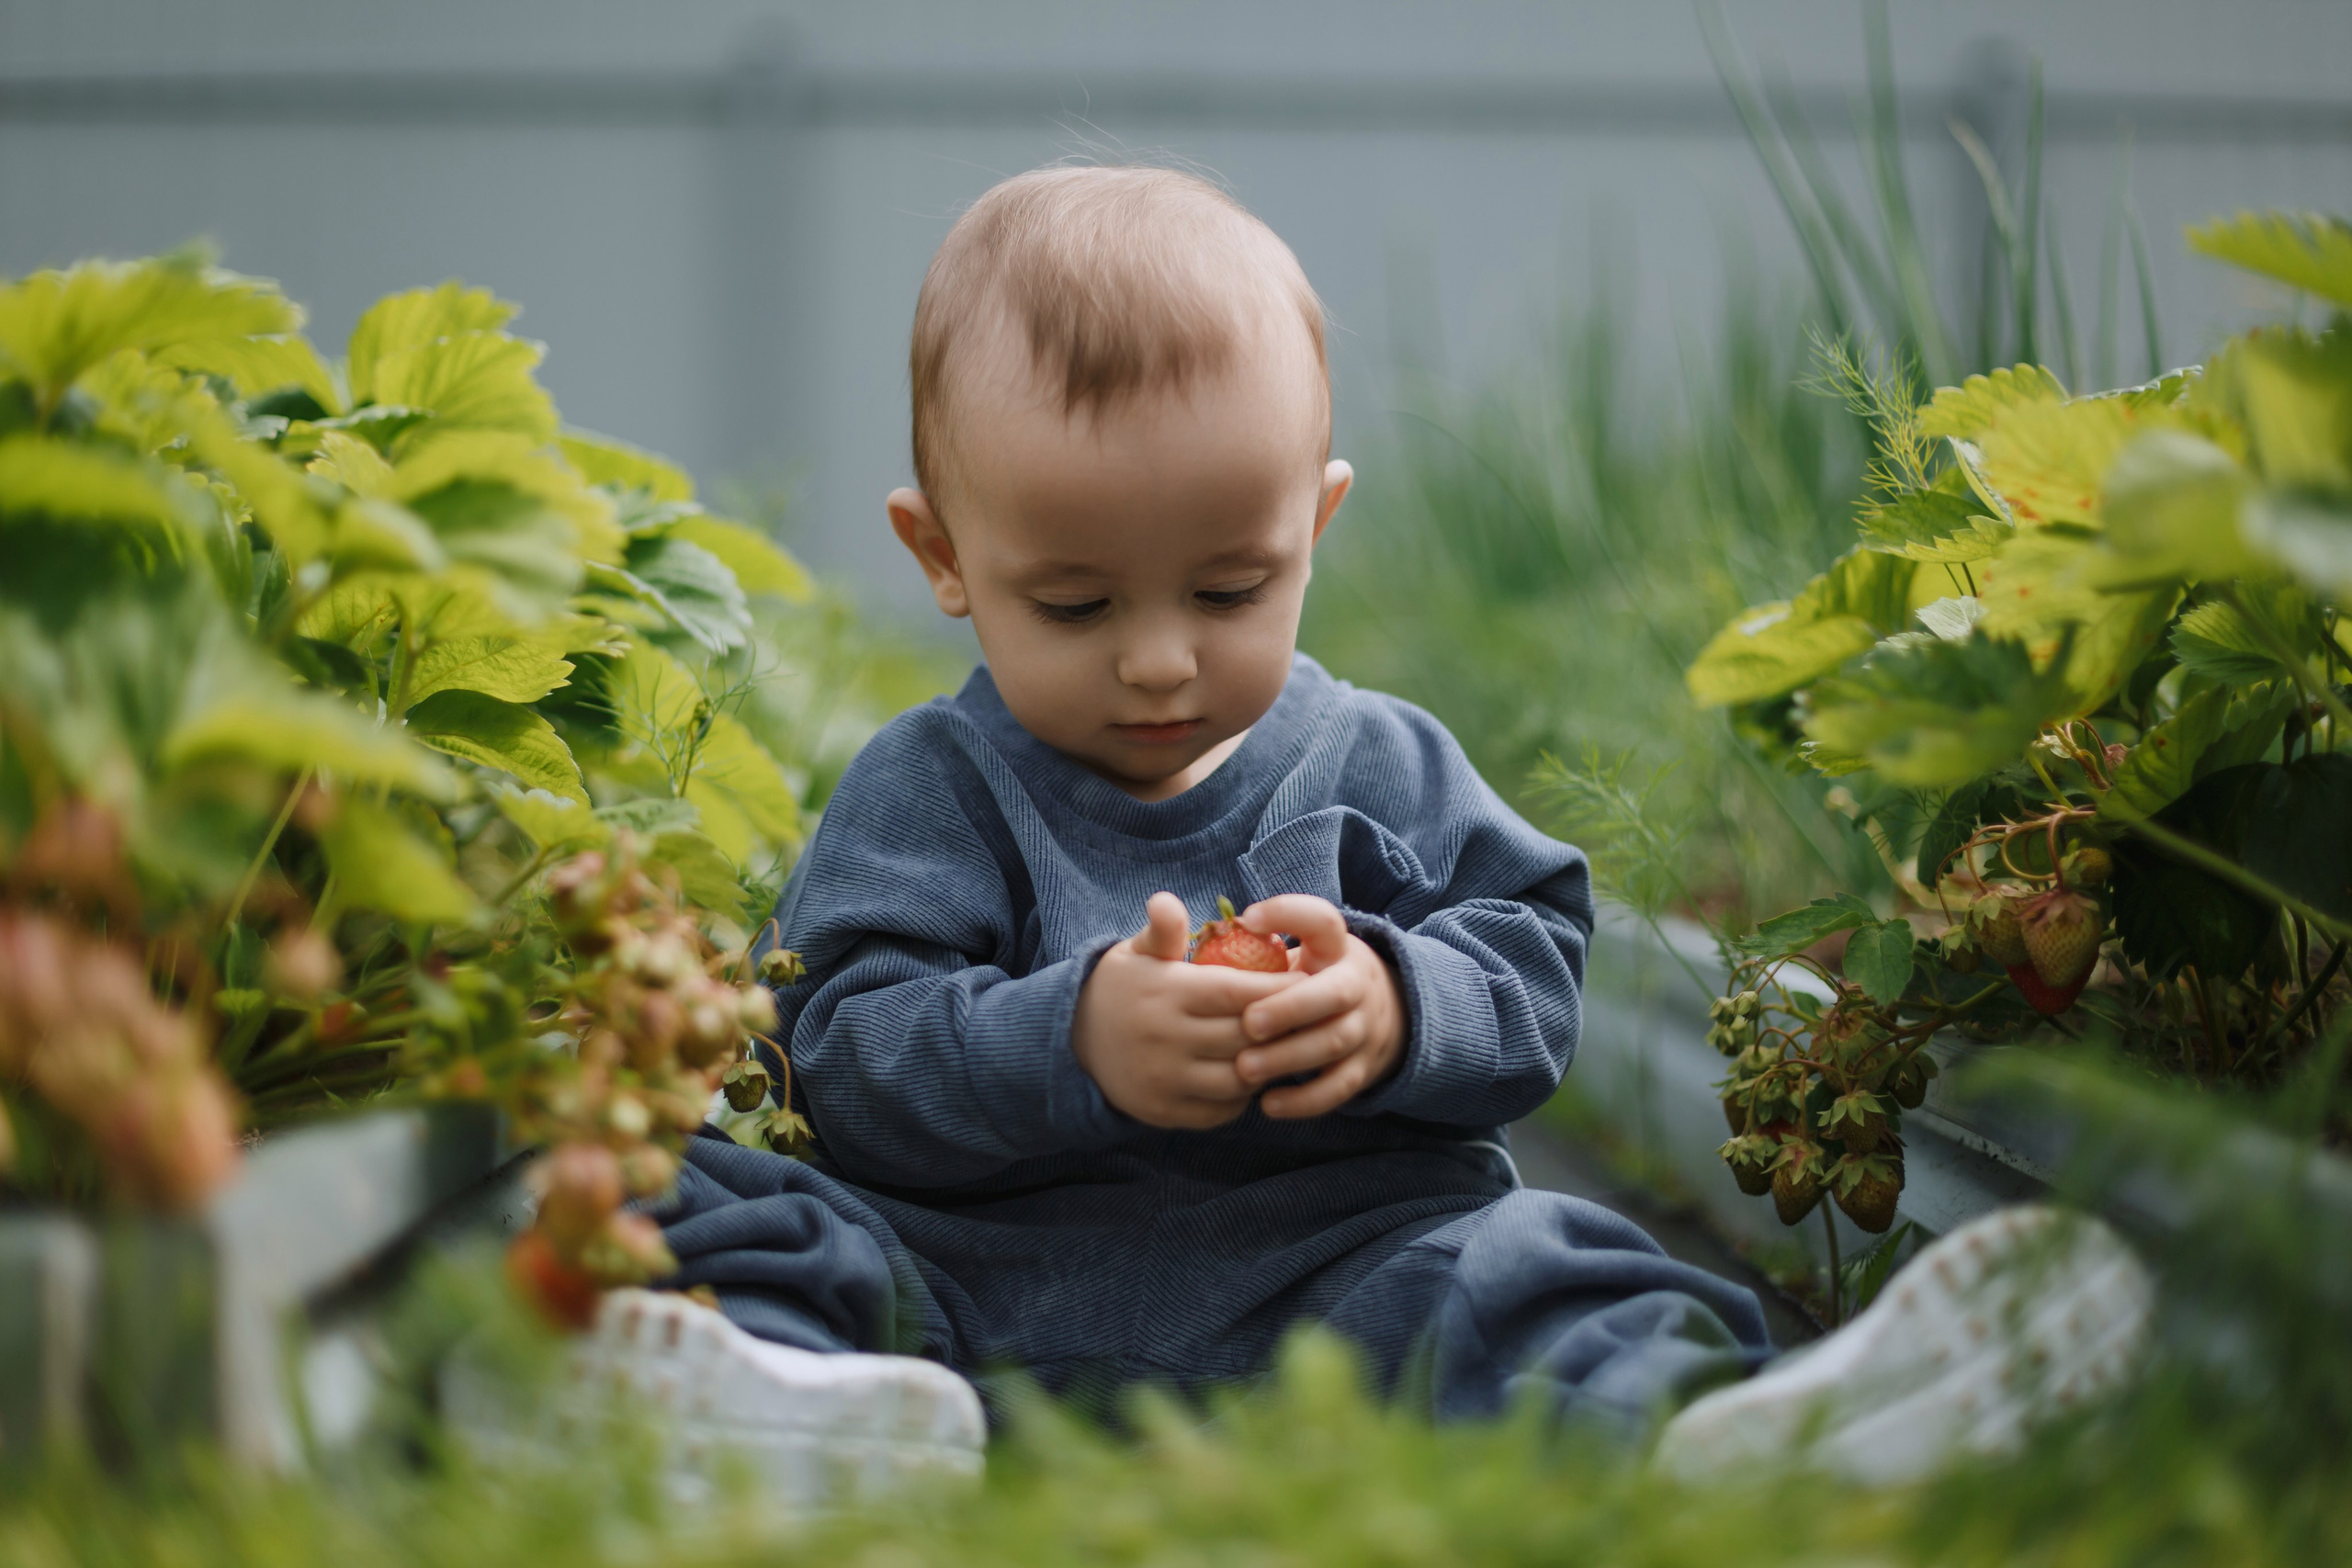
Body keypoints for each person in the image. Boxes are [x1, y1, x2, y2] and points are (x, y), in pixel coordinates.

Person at [607, 165, 2148, 1496]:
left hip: (1343, 1283)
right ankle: (792, 1417)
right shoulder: (931, 783)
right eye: (1074, 604)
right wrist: (1071, 1040)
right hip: (965, 1294)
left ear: (1315, 527)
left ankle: (1722, 1432)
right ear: (943, 555)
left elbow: (1535, 971)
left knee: (1539, 1266)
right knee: (715, 1194)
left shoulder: (1379, 766)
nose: (1160, 660)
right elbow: (838, 1051)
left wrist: (1399, 1005)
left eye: (1229, 589)